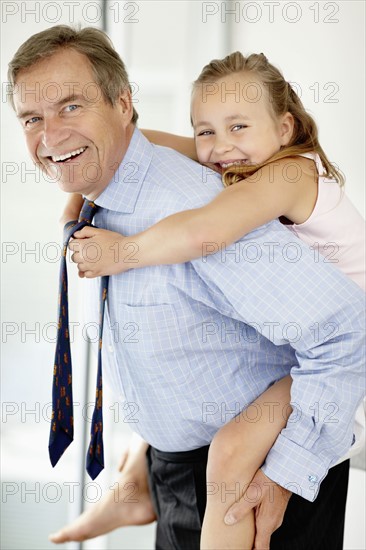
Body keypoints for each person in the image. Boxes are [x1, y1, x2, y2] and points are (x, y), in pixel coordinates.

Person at [8, 26, 365, 550]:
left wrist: (288, 474)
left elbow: (344, 328)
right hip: (177, 476)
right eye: (32, 118)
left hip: (254, 482)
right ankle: (138, 486)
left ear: (124, 103)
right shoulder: (114, 191)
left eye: (71, 107)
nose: (50, 135)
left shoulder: (206, 209)